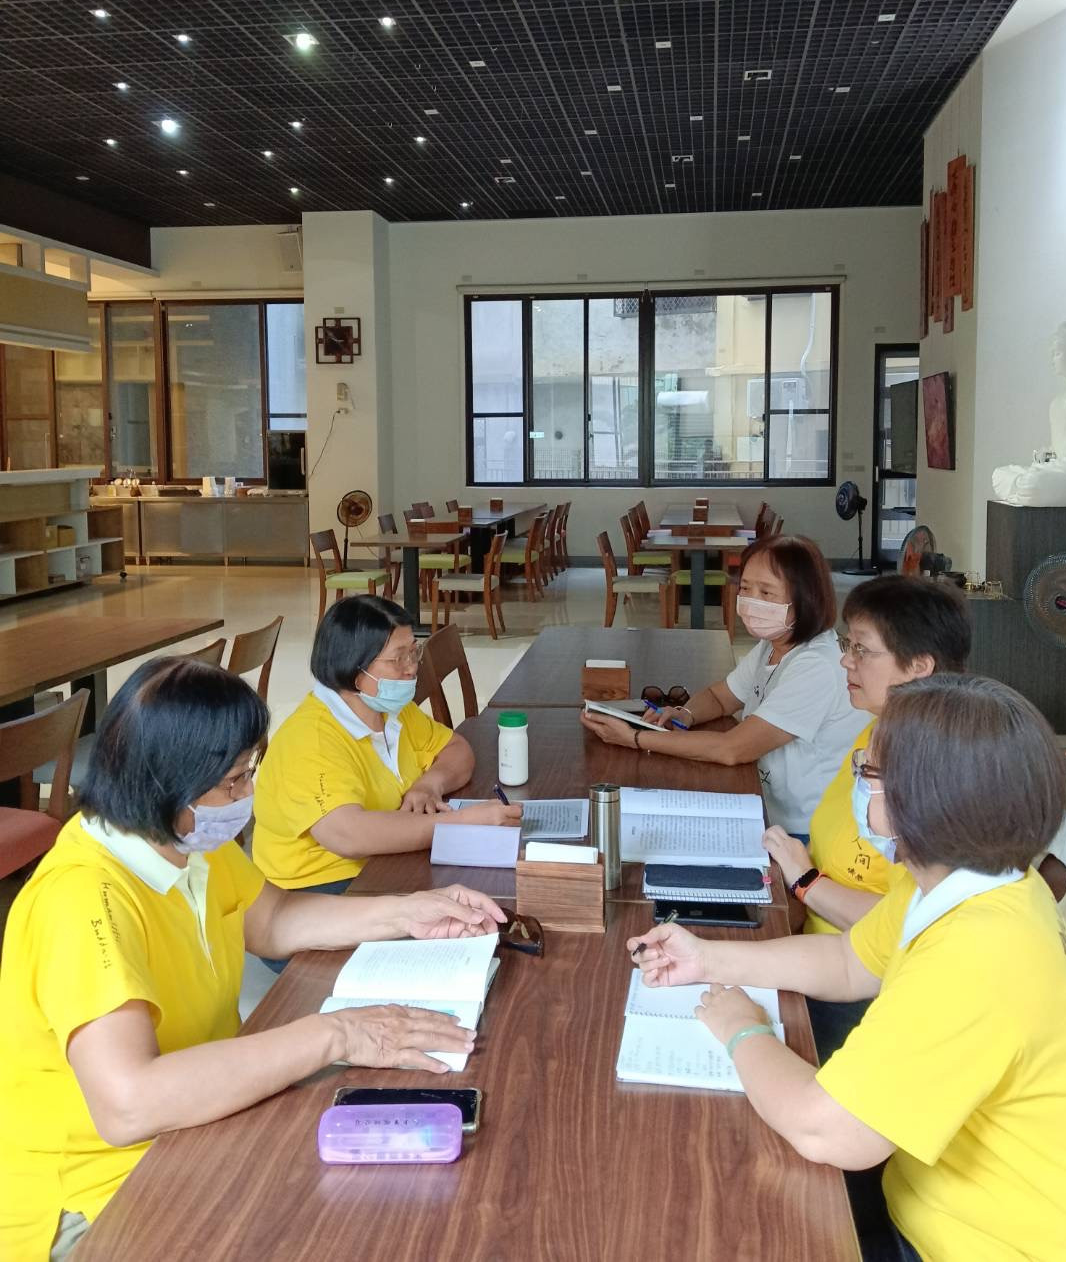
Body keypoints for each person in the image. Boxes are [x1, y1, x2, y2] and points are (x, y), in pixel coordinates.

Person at [0, 657, 506, 1262]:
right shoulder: (81, 899)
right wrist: (337, 1033)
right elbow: (128, 1103)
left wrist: (408, 912)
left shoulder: (185, 838)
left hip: (199, 1119)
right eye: (234, 781)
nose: (246, 796)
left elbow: (271, 921)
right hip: (102, 1192)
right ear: (169, 781)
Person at [628, 676, 1066, 1262]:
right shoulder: (976, 880)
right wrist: (706, 957)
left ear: (925, 800)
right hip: (927, 1196)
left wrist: (742, 1028)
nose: (859, 780)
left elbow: (825, 1130)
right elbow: (850, 961)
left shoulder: (978, 955)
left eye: (870, 772)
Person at [581, 533, 868, 834]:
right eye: (745, 588)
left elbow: (732, 748)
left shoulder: (817, 664)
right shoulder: (774, 644)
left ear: (806, 598)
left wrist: (635, 738)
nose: (752, 601)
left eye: (767, 593)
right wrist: (685, 714)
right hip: (764, 798)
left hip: (803, 830)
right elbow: (721, 697)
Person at [252, 596, 520, 894]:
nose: (412, 668)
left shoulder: (388, 710)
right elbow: (348, 835)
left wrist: (430, 784)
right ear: (354, 669)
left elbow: (456, 749)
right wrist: (460, 825)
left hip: (386, 859)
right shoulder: (310, 740)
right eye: (398, 659)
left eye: (414, 652)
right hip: (322, 885)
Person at [764, 574, 972, 937]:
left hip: (855, 963)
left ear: (919, 667)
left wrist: (806, 882)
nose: (846, 660)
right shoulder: (877, 731)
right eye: (848, 644)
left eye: (862, 649)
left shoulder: (933, 775)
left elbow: (909, 922)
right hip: (812, 935)